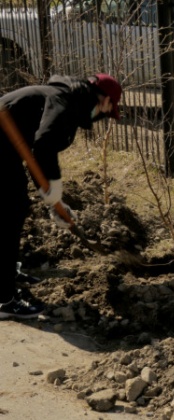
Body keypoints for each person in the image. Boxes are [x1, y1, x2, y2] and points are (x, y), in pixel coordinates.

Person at [0, 73, 122, 319]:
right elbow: (44, 145)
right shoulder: (63, 101)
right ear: (104, 100)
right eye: (109, 109)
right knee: (9, 211)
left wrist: (51, 197)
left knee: (18, 206)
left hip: (7, 145)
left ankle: (9, 273)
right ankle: (5, 300)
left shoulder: (69, 100)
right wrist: (53, 189)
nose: (105, 115)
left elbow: (37, 150)